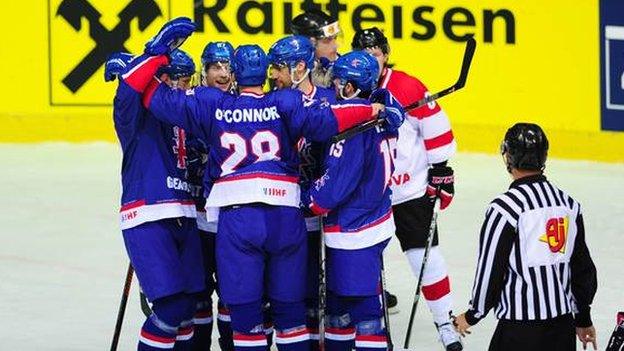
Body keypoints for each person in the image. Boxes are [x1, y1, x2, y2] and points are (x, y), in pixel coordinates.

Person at [120, 17, 403, 351]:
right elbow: (329, 120)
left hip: (239, 219)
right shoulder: (284, 103)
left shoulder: (214, 104)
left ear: (237, 76)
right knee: (291, 315)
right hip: (286, 217)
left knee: (246, 319)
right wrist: (373, 107)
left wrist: (142, 62)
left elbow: (151, 98)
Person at [352, 27, 462, 350]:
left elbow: (435, 124)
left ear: (386, 54)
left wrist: (441, 168)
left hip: (410, 192)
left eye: (376, 53)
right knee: (366, 264)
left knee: (427, 260)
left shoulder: (405, 85)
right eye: (365, 53)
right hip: (368, 196)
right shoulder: (349, 85)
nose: (372, 59)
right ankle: (372, 327)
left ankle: (445, 322)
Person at [453, 123, 598, 351]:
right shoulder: (569, 205)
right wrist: (582, 318)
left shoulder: (504, 209)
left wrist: (473, 314)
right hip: (562, 328)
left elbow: (491, 270)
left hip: (519, 332)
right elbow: (582, 269)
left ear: (508, 157)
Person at [301, 50, 402, 351]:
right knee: (337, 307)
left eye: (338, 83)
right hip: (372, 218)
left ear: (350, 88)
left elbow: (335, 187)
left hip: (354, 229)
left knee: (363, 311)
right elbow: (395, 110)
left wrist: (309, 197)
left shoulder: (353, 128)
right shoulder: (382, 111)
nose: (333, 88)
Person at [106, 47, 204, 351]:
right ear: (160, 79)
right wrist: (156, 53)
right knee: (171, 307)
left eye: (188, 80)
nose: (183, 87)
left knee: (188, 307)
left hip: (184, 215)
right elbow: (129, 89)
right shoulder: (134, 115)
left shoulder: (186, 113)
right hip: (147, 214)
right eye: (176, 80)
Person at [267, 34, 337, 349]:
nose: (272, 75)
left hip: (321, 212)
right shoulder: (268, 101)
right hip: (282, 213)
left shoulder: (329, 98)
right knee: (288, 293)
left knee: (323, 291)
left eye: (278, 67)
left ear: (299, 67)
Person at [290, 9, 340, 87]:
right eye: (327, 41)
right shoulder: (290, 74)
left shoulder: (345, 70)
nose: (335, 46)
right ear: (309, 44)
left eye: (335, 38)